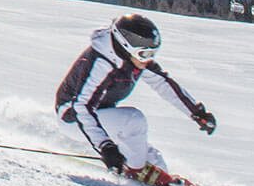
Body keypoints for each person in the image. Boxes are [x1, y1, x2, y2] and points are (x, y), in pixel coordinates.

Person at [55, 13, 216, 175]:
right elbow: (82, 107)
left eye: (153, 53)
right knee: (134, 120)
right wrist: (105, 147)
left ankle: (157, 176)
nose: (149, 59)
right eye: (145, 54)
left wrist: (197, 112)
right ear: (126, 46)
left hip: (100, 116)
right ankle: (136, 172)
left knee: (153, 160)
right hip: (73, 118)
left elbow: (163, 83)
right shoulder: (102, 63)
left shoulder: (133, 60)